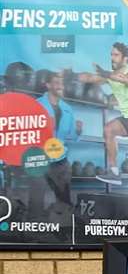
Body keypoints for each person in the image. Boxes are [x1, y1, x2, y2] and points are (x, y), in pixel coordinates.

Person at [79, 42, 128, 181]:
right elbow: (91, 78)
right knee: (108, 129)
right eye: (111, 55)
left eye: (116, 55)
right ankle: (114, 172)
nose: (112, 58)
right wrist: (73, 76)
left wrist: (106, 73)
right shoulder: (110, 77)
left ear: (125, 59)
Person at [33, 71, 81, 207]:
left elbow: (71, 137)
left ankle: (64, 226)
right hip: (40, 159)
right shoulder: (36, 105)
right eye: (57, 83)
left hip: (60, 160)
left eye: (62, 83)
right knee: (36, 201)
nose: (61, 86)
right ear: (48, 85)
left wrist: (78, 131)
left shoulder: (67, 109)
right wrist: (44, 126)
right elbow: (27, 131)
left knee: (64, 201)